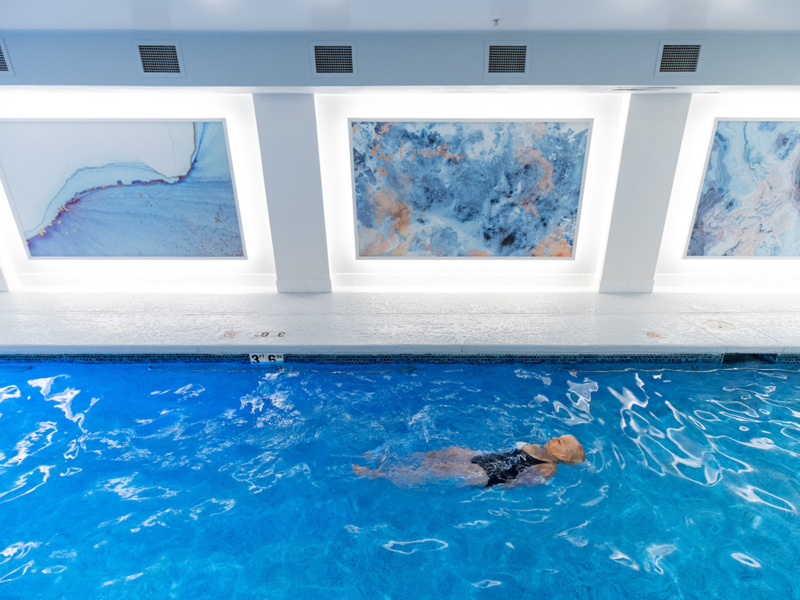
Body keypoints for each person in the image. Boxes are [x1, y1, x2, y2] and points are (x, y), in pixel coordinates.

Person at [352, 435, 585, 488]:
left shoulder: (548, 468)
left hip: (490, 474)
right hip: (490, 459)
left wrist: (496, 484)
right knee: (445, 452)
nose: (554, 438)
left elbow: (520, 481)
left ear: (562, 457)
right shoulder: (537, 446)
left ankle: (376, 473)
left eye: (560, 442)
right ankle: (381, 457)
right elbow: (509, 449)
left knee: (441, 469)